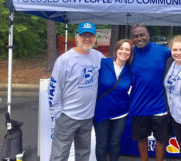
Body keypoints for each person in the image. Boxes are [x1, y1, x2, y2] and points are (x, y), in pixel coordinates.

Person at [48, 22, 104, 161]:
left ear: (95, 38)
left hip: (87, 116)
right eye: (83, 35)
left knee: (83, 153)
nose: (87, 39)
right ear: (76, 37)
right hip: (67, 115)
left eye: (90, 36)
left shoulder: (99, 57)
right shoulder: (64, 60)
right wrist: (56, 113)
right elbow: (54, 87)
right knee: (59, 155)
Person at [130, 23, 171, 161]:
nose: (139, 38)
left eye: (142, 35)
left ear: (148, 36)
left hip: (159, 106)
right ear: (132, 39)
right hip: (138, 106)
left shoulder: (163, 51)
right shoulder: (130, 53)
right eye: (135, 36)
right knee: (141, 139)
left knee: (161, 139)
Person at [94, 39, 134, 161]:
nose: (124, 52)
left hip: (120, 113)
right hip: (101, 112)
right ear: (116, 50)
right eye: (121, 48)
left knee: (115, 143)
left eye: (127, 49)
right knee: (101, 143)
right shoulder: (103, 63)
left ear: (131, 53)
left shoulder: (131, 70)